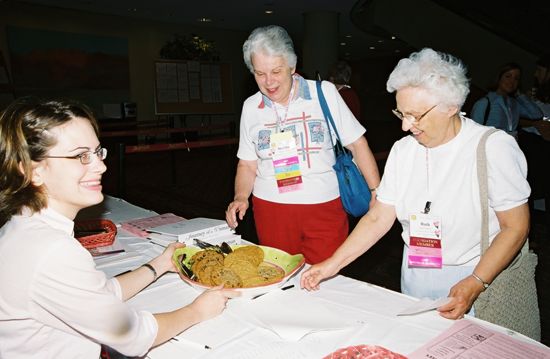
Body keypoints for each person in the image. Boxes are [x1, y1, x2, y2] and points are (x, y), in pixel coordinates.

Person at [301, 49, 535, 326]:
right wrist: (332, 264)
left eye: (415, 115)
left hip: (477, 277)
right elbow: (378, 217)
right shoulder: (404, 151)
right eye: (401, 112)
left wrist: (475, 282)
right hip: (416, 273)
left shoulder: (492, 147)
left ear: (451, 106)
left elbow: (516, 227)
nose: (404, 126)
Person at [0, 97, 239, 358]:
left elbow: (99, 293)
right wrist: (198, 310)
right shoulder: (51, 251)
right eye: (81, 156)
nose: (101, 166)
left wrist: (160, 264)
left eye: (97, 152)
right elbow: (133, 337)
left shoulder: (23, 227)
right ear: (32, 171)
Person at [225, 25, 380, 264]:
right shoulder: (251, 107)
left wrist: (376, 192)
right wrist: (241, 196)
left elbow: (358, 144)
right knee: (278, 276)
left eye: (276, 71)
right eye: (259, 73)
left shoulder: (324, 93)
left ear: (292, 66)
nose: (268, 82)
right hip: (271, 209)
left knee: (325, 278)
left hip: (324, 207)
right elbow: (247, 163)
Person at [470, 62, 542, 137]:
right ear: (499, 78)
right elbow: (473, 132)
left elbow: (537, 115)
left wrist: (520, 95)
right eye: (508, 76)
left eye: (516, 78)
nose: (512, 81)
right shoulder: (485, 102)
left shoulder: (514, 104)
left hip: (509, 146)